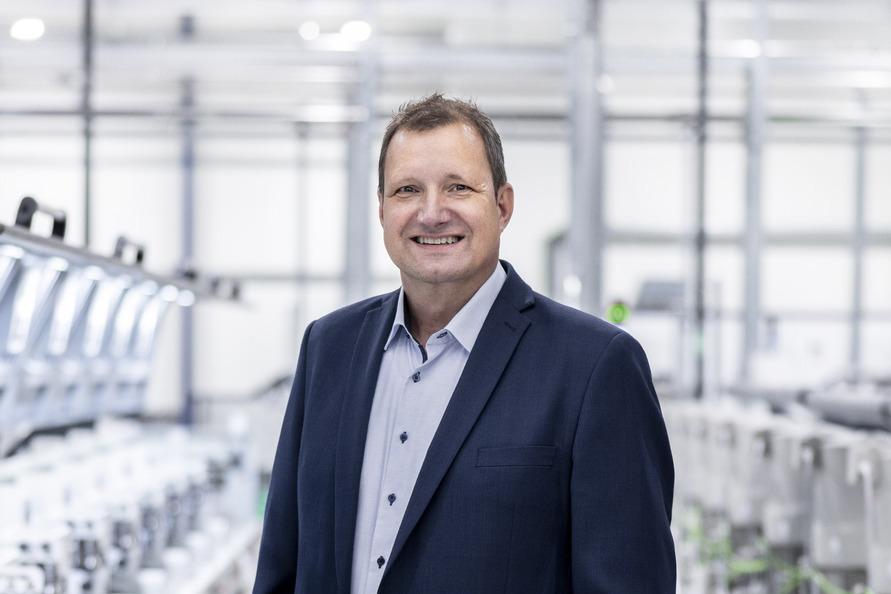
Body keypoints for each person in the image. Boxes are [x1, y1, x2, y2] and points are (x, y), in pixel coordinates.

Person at [252, 93, 676, 594]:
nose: (432, 214)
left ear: (502, 206)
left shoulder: (594, 366)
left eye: (458, 187)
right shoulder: (329, 348)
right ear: (382, 209)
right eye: (408, 190)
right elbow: (283, 563)